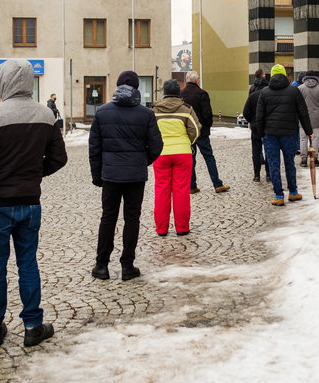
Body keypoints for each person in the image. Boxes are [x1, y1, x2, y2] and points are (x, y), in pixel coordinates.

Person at [0, 59, 68, 348]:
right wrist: (35, 173)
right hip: (30, 203)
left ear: (3, 82)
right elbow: (59, 159)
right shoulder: (45, 114)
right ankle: (33, 325)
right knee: (28, 264)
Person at [89, 70, 163, 282]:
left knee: (108, 218)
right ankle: (127, 265)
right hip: (135, 176)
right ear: (137, 88)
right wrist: (141, 161)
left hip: (110, 176)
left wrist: (97, 174)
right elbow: (157, 146)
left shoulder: (103, 112)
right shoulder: (146, 114)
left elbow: (94, 147)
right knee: (132, 218)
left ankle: (101, 265)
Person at [254, 64, 313, 206]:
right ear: (285, 75)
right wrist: (309, 131)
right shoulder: (294, 91)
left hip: (270, 134)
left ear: (271, 75)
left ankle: (278, 195)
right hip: (289, 133)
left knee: (273, 164)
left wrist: (261, 133)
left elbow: (259, 116)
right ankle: (293, 192)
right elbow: (303, 112)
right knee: (289, 162)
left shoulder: (265, 92)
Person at [152, 80, 201, 236]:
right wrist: (188, 142)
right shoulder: (186, 109)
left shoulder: (154, 110)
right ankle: (182, 228)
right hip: (182, 153)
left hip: (161, 154)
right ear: (178, 92)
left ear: (164, 92)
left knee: (161, 190)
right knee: (181, 190)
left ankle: (161, 229)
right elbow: (195, 129)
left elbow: (150, 132)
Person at [180, 71, 230, 194]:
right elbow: (207, 114)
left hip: (188, 132)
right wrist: (207, 126)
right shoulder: (202, 93)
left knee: (191, 158)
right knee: (209, 157)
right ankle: (217, 184)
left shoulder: (181, 94)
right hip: (201, 132)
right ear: (197, 80)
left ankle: (192, 185)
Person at [298, 71, 319, 168]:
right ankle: (314, 158)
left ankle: (303, 159)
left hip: (303, 118)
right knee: (315, 139)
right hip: (317, 118)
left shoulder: (300, 88)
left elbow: (297, 104)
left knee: (303, 139)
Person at [243, 74, 270, 182]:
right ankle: (268, 174)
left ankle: (257, 175)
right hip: (268, 127)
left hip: (255, 127)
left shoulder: (252, 96)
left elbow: (246, 112)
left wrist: (252, 121)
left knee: (256, 150)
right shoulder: (269, 95)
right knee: (268, 150)